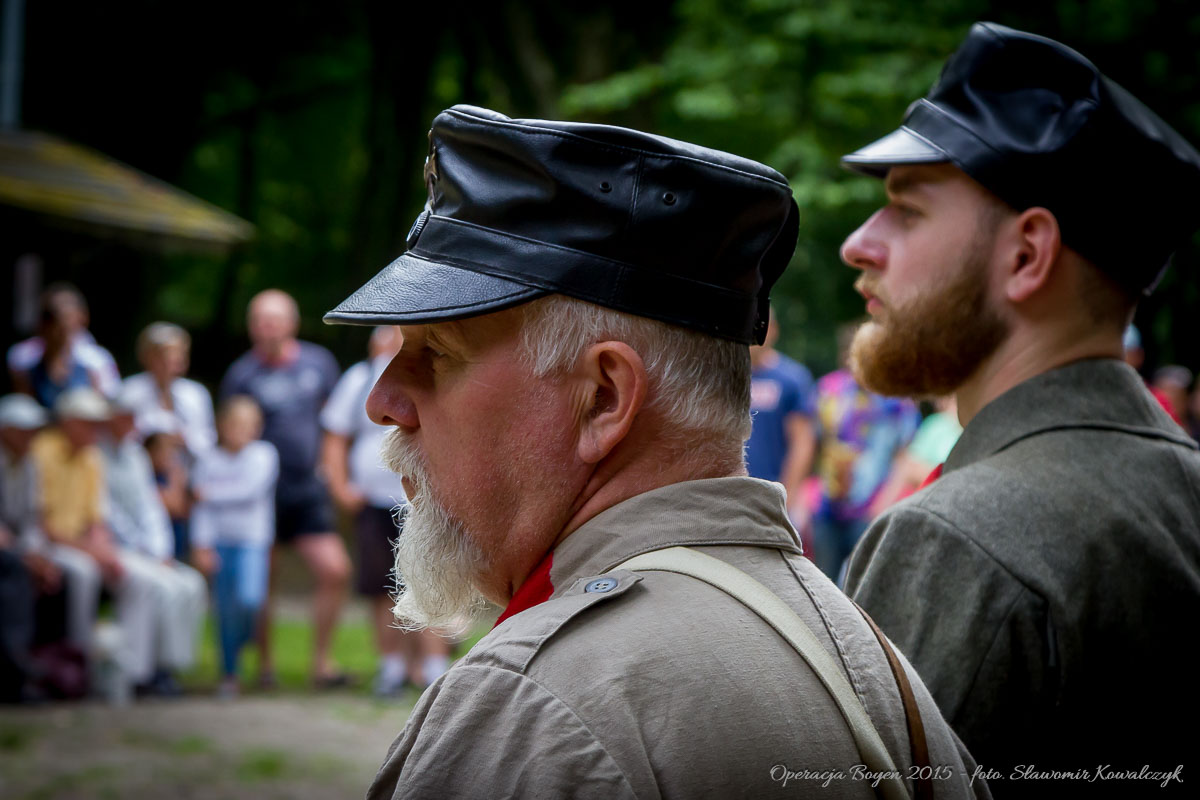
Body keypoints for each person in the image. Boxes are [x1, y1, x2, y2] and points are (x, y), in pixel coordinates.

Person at [326, 105, 985, 798]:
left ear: (603, 398)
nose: (383, 401)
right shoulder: (876, 668)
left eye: (437, 353)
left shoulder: (533, 703)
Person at [838, 23, 1200, 794]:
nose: (859, 244)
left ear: (1027, 254)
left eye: (908, 210)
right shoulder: (1185, 490)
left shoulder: (957, 540)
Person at [220, 289, 351, 688]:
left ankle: (322, 664)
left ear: (292, 323)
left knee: (335, 569)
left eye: (275, 319)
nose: (268, 327)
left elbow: (335, 420)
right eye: (260, 320)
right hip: (260, 494)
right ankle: (265, 666)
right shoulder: (241, 375)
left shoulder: (318, 363)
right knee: (265, 579)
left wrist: (332, 468)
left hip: (307, 489)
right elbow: (227, 435)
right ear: (251, 327)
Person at [320, 326, 450, 696]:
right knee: (381, 587)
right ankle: (391, 668)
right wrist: (340, 486)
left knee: (430, 581)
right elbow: (335, 434)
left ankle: (434, 669)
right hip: (373, 502)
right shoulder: (360, 378)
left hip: (423, 502)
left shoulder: (430, 370)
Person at [30, 388, 164, 692]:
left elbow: (96, 520)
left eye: (98, 423)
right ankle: (80, 667)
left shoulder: (92, 456)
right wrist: (94, 552)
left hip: (83, 544)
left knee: (139, 578)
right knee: (85, 573)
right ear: (68, 421)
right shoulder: (43, 452)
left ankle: (134, 675)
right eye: (89, 423)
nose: (97, 429)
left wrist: (104, 551)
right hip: (49, 544)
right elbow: (44, 525)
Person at [101, 393, 207, 696]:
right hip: (118, 547)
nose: (128, 423)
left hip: (144, 548)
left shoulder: (135, 456)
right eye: (123, 416)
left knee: (191, 584)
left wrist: (160, 551)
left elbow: (149, 508)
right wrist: (140, 547)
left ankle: (169, 667)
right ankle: (139, 672)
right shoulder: (97, 454)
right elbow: (108, 511)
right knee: (157, 586)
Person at [810, 326, 920, 582]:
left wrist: (884, 503)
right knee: (822, 585)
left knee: (864, 587)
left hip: (872, 507)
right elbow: (815, 444)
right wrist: (810, 496)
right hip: (828, 507)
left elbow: (904, 456)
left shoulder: (895, 397)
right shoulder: (829, 389)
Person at [190, 396, 280, 699]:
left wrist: (207, 493)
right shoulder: (208, 460)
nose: (240, 431)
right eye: (234, 424)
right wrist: (201, 544)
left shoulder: (264, 455)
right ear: (222, 426)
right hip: (219, 542)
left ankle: (244, 640)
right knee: (225, 609)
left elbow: (250, 491)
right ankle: (230, 672)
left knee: (250, 599)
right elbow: (201, 510)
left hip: (252, 540)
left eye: (247, 425)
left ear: (257, 428)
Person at [745, 307, 817, 519]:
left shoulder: (792, 379)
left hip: (773, 495)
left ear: (773, 329)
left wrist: (786, 498)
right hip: (732, 493)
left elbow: (802, 444)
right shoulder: (724, 376)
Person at [8, 283, 121, 401]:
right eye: (50, 317)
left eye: (66, 317)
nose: (59, 325)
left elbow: (109, 404)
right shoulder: (23, 357)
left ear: (82, 318)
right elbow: (24, 399)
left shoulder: (98, 361)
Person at [121, 322, 217, 460]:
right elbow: (123, 439)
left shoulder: (197, 394)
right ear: (147, 356)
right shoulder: (129, 391)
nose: (175, 360)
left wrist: (184, 439)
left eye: (181, 353)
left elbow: (208, 441)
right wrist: (155, 443)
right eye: (167, 354)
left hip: (187, 467)